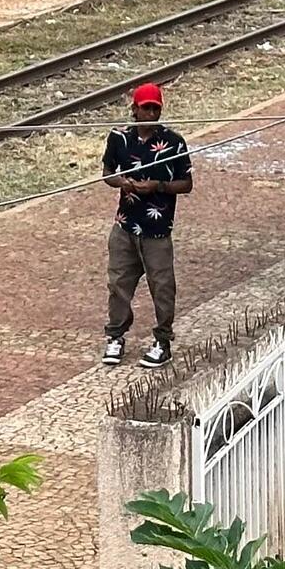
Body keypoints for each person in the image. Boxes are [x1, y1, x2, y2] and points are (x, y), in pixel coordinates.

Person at [103, 82, 192, 367]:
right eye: (146, 108)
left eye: (156, 109)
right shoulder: (119, 138)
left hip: (157, 230)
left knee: (162, 286)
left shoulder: (174, 142)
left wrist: (159, 186)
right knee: (118, 283)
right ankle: (115, 335)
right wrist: (123, 182)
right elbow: (107, 173)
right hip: (125, 225)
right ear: (135, 109)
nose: (151, 114)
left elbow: (186, 183)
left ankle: (162, 340)